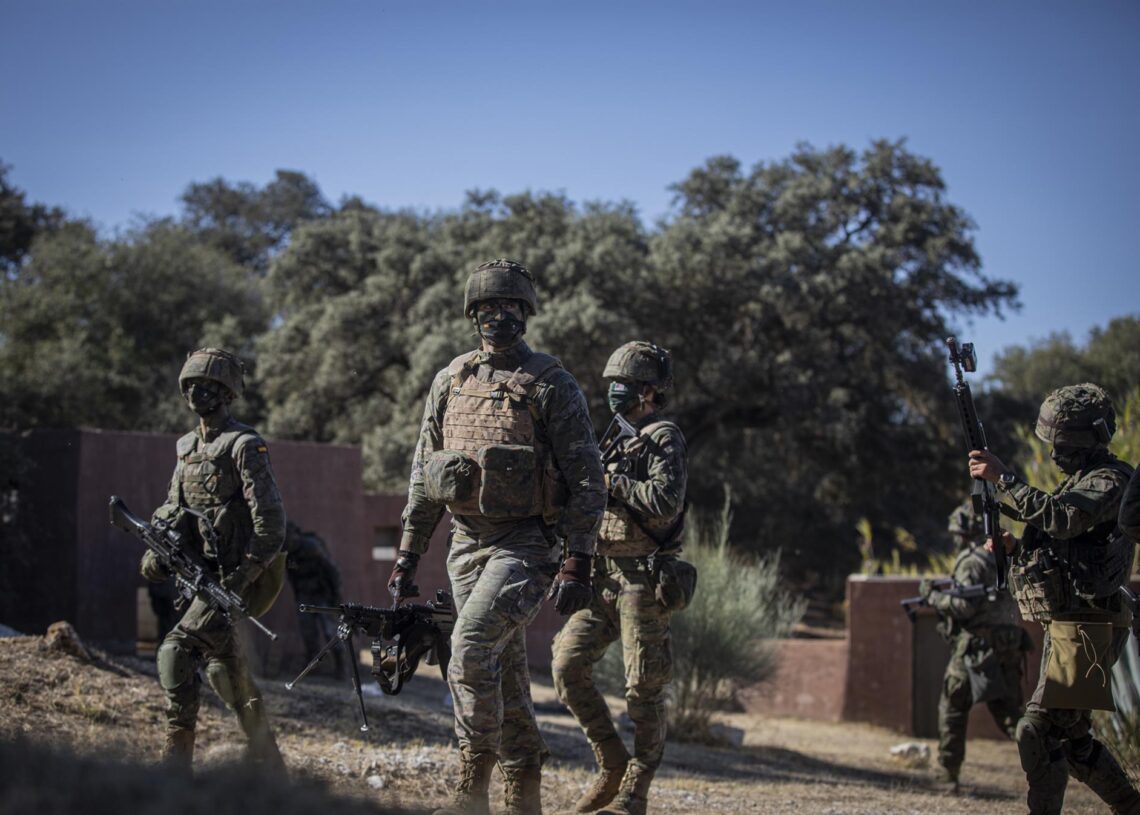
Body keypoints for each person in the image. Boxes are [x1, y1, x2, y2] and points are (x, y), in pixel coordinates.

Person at [392, 259, 606, 815]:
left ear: (526, 313)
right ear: (473, 315)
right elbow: (425, 473)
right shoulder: (451, 380)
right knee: (503, 669)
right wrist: (409, 552)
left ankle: (471, 790)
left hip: (528, 544)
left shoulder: (552, 384)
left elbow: (587, 478)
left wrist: (578, 559)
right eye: (487, 307)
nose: (498, 316)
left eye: (510, 306)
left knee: (468, 650)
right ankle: (524, 789)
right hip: (466, 543)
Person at [968, 383, 1139, 814]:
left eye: (1063, 444)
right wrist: (1015, 548)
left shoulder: (1111, 480)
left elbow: (1064, 520)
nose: (1054, 453)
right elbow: (1065, 544)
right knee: (1074, 741)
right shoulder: (1078, 482)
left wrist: (1004, 478)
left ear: (1089, 439)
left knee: (1037, 731)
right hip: (1072, 622)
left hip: (1091, 624)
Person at [551, 341, 687, 815]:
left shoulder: (664, 436)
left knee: (643, 688)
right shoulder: (613, 437)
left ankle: (634, 792)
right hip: (601, 577)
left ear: (649, 390)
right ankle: (612, 762)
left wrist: (611, 482)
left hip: (643, 579)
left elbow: (665, 502)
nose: (615, 391)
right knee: (566, 667)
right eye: (612, 383)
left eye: (625, 384)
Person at [140, 348, 288, 773]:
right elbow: (174, 509)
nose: (196, 392)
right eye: (191, 385)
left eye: (207, 386)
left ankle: (176, 761)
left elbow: (271, 525)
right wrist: (157, 553)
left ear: (227, 393)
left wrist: (241, 579)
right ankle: (271, 768)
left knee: (176, 649)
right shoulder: (186, 447)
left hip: (233, 581)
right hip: (199, 578)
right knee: (228, 673)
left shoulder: (244, 445)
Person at [920, 499, 1030, 793]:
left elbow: (963, 606)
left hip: (976, 649)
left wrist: (933, 598)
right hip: (1009, 644)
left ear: (967, 532)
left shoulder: (972, 561)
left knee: (953, 707)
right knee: (1011, 716)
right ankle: (1052, 759)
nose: (956, 539)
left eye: (958, 534)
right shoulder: (1005, 557)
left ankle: (947, 775)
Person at [284, 520, 345, 678]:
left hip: (322, 595)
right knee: (308, 633)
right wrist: (298, 595)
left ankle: (340, 666)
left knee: (330, 632)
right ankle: (313, 666)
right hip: (304, 596)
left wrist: (336, 595)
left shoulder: (311, 547)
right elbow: (292, 576)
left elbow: (331, 570)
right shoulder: (289, 554)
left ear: (295, 535)